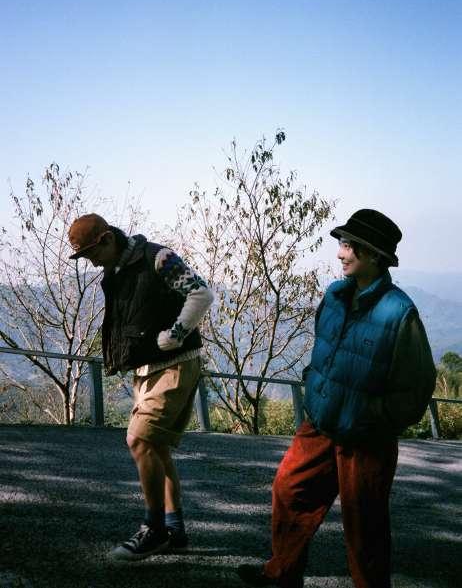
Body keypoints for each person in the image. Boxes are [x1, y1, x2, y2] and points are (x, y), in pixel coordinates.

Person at [238, 209, 436, 588]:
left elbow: (416, 388)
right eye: (342, 244)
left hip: (366, 438)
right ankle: (282, 573)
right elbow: (323, 349)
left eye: (349, 246)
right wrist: (316, 387)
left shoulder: (400, 313)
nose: (341, 253)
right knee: (289, 490)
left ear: (374, 255)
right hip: (320, 423)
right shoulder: (333, 295)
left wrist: (372, 416)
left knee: (365, 527)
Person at [68, 213, 214, 560]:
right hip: (147, 369)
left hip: (175, 364)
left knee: (139, 440)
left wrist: (176, 334)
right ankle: (174, 529)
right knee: (157, 448)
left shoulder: (158, 258)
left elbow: (201, 293)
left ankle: (154, 529)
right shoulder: (115, 270)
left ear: (107, 239)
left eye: (92, 253)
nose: (92, 262)